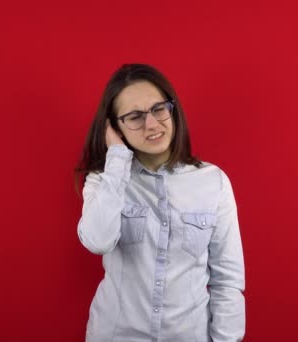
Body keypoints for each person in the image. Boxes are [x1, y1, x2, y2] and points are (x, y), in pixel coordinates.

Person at [75, 63, 246, 341]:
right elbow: (98, 241)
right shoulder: (103, 181)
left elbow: (227, 280)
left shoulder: (213, 182)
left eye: (158, 109)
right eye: (134, 116)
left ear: (172, 109)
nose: (152, 124)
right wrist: (116, 157)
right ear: (114, 127)